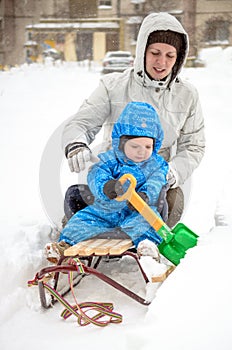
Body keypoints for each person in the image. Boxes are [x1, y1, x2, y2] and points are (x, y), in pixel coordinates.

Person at [62, 12, 205, 229]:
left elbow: (194, 145)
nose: (162, 62)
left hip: (155, 179)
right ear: (142, 51)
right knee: (77, 197)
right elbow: (82, 122)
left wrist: (172, 171)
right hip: (115, 175)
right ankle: (79, 232)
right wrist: (76, 144)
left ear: (179, 58)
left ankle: (144, 235)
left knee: (172, 204)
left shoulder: (187, 95)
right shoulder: (113, 86)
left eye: (170, 55)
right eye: (155, 52)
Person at [45, 102, 168, 263]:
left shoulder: (156, 164)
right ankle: (65, 245)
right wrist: (107, 186)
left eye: (148, 146)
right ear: (122, 144)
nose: (142, 151)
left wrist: (145, 195)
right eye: (135, 146)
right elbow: (96, 174)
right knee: (82, 219)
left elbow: (157, 181)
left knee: (146, 224)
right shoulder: (109, 160)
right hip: (106, 210)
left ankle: (147, 248)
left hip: (137, 212)